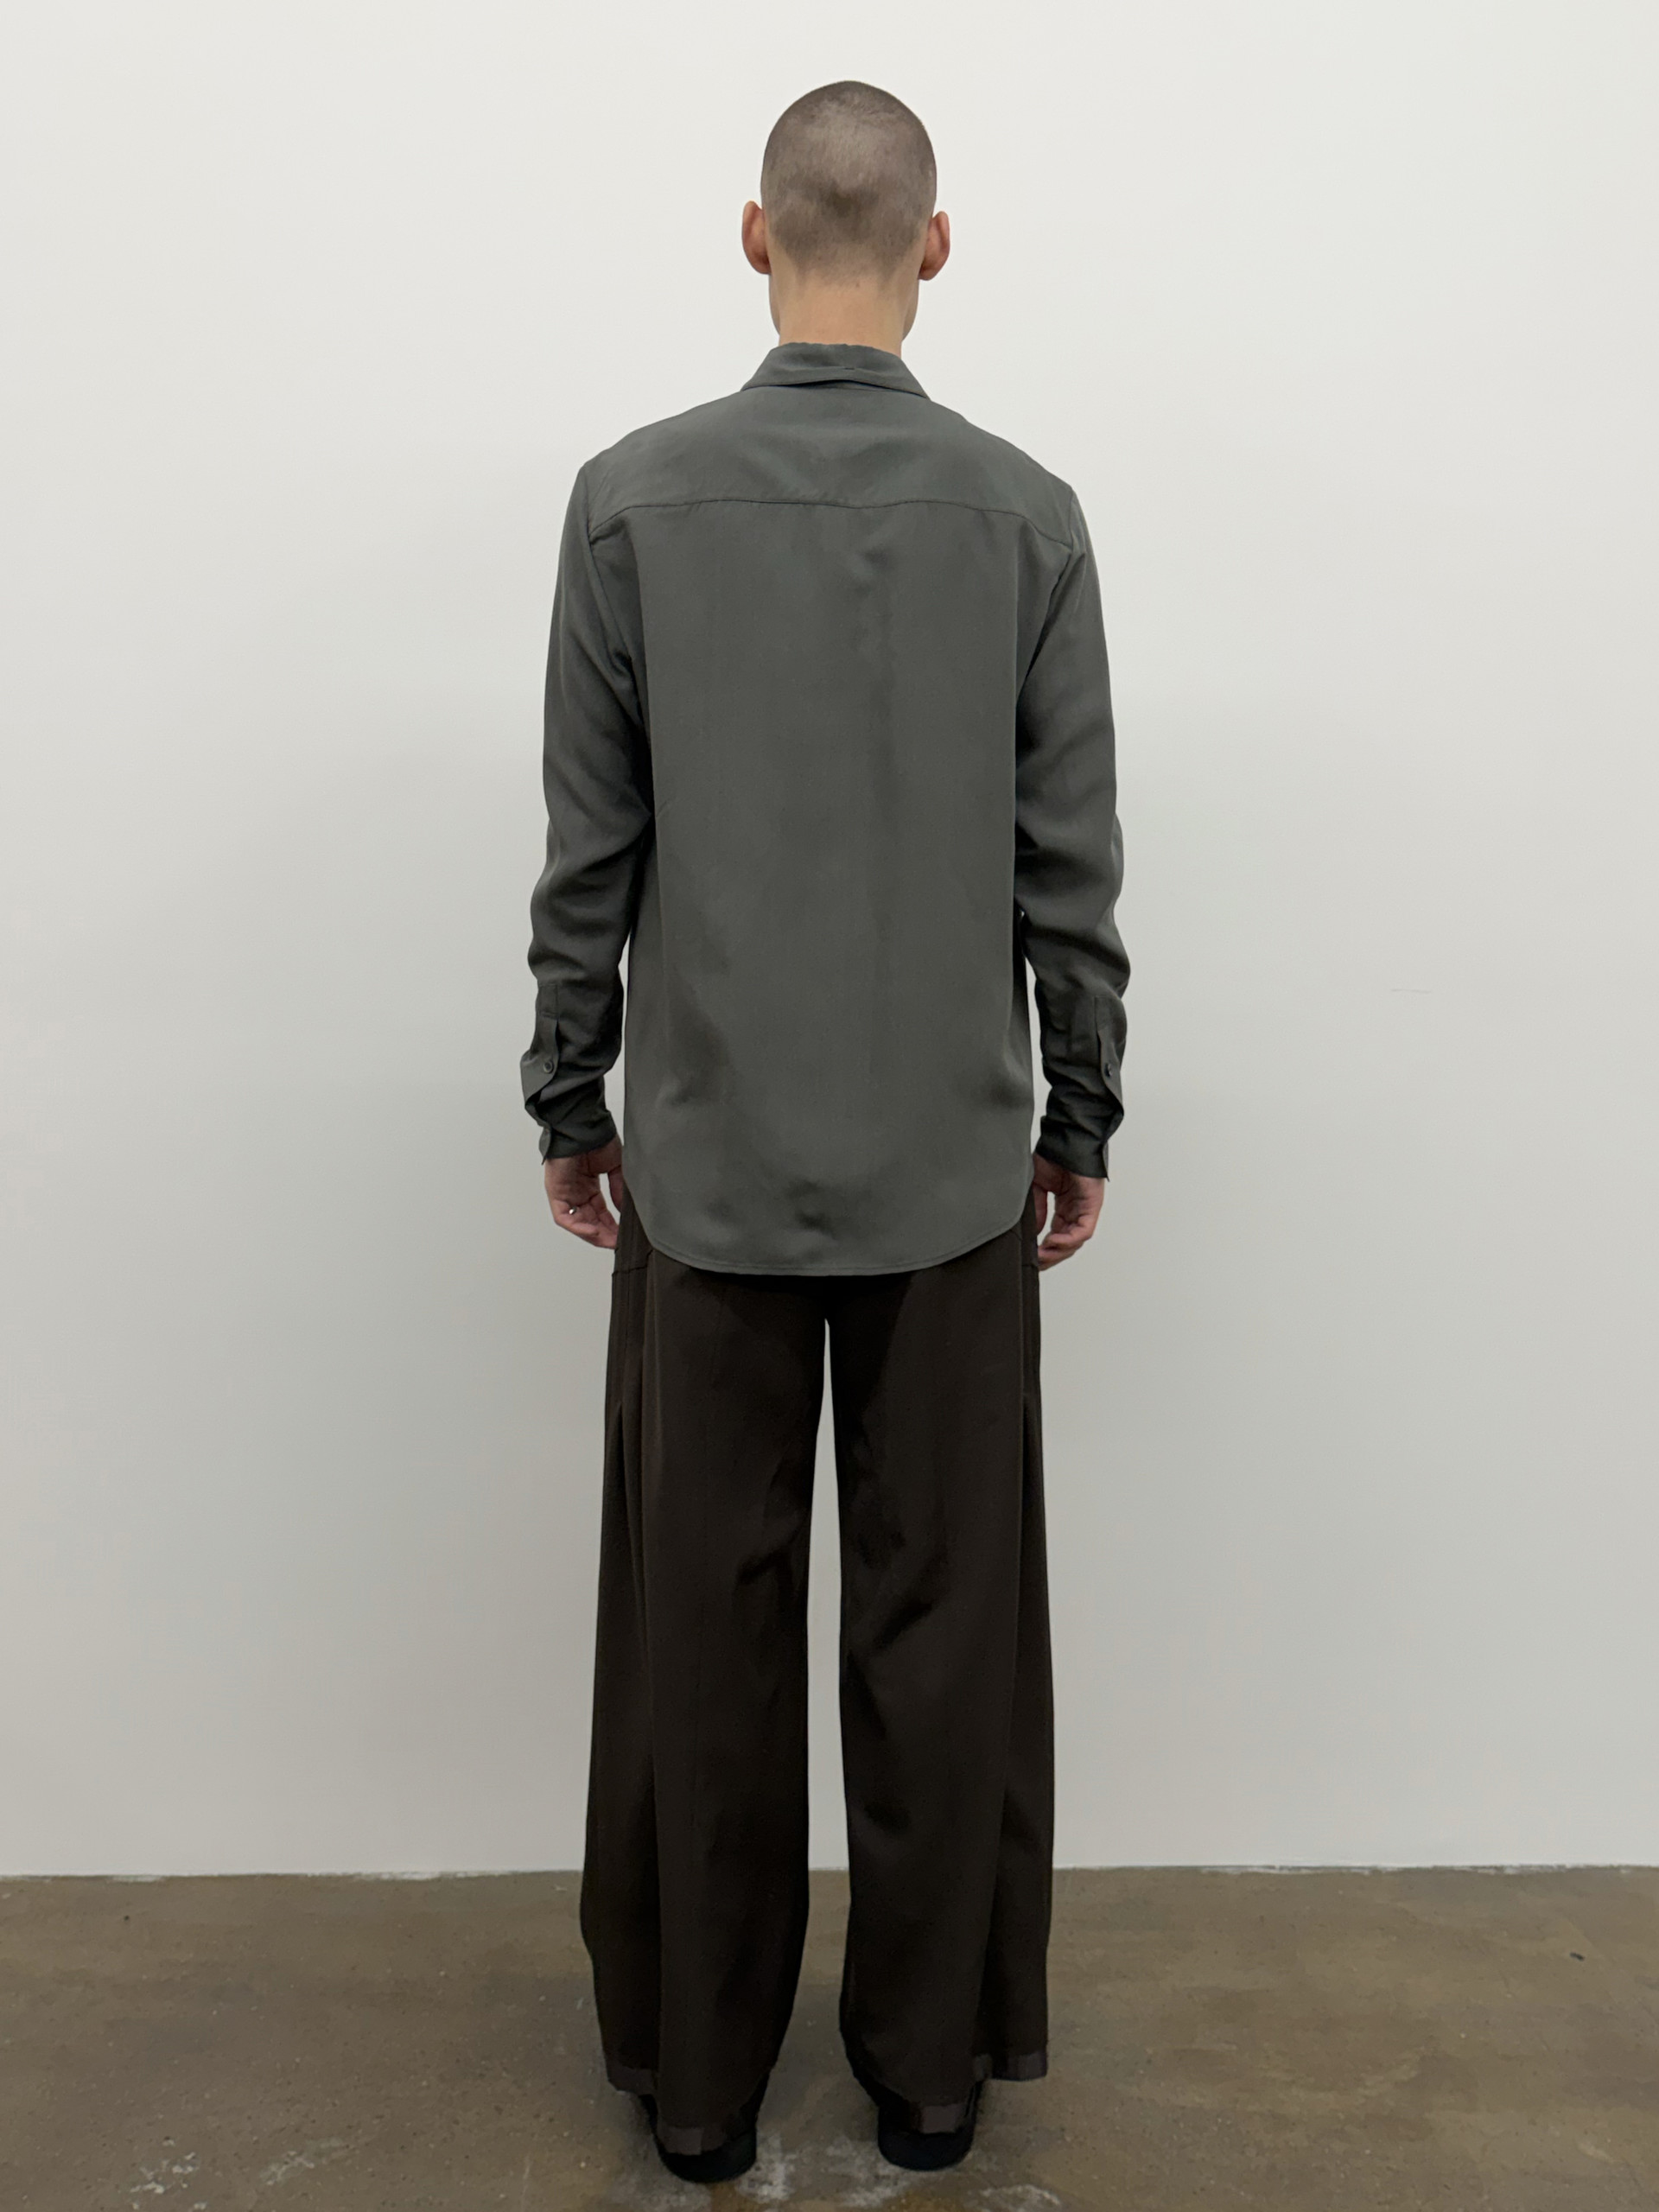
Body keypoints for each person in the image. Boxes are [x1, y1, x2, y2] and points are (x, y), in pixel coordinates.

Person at [521, 79, 1128, 2186]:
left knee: (701, 1635)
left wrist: (568, 1092)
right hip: (951, 1177)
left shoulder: (629, 504)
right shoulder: (1029, 515)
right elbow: (1070, 863)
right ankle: (930, 2075)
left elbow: (589, 858)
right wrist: (1082, 1104)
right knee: (942, 1635)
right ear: (934, 244)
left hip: (706, 1170)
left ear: (754, 232)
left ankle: (700, 2087)